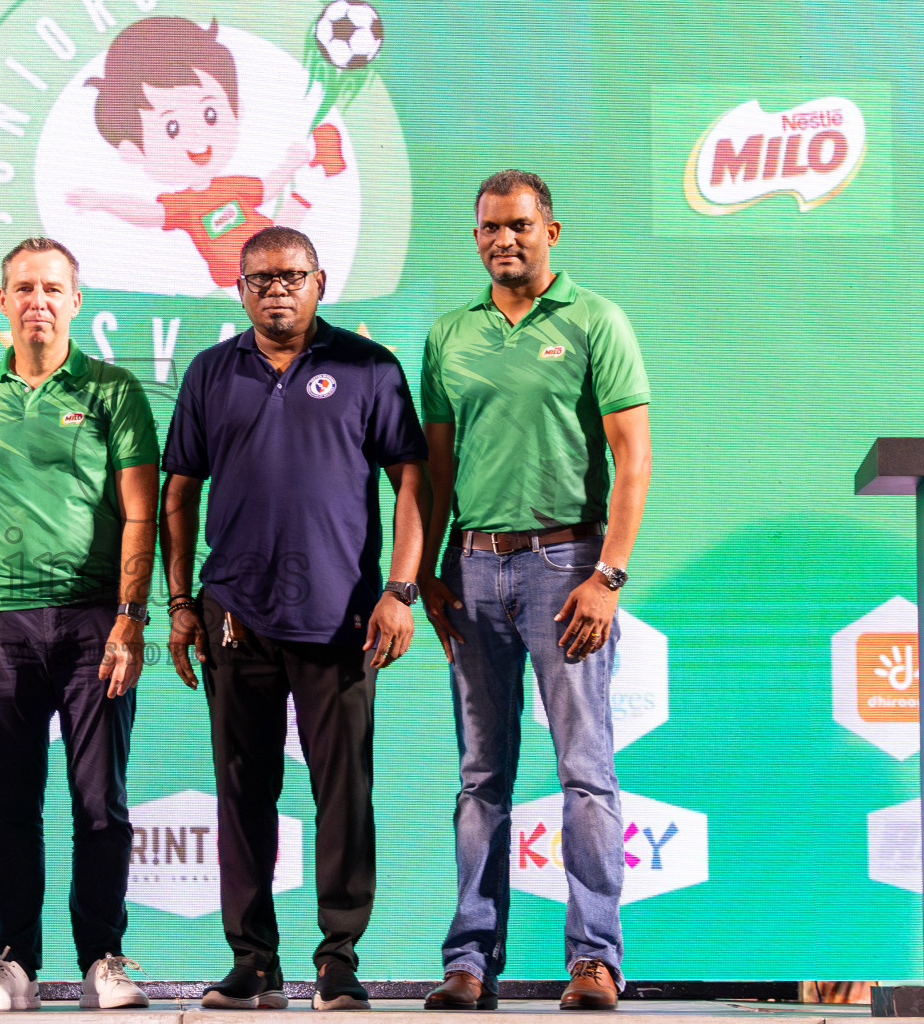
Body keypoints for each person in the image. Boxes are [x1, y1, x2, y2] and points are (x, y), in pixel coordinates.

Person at [160, 226, 428, 1011]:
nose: (277, 289)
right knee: (242, 793)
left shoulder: (368, 367)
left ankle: (339, 960)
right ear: (239, 290)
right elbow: (178, 497)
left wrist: (401, 591)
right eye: (260, 279)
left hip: (344, 615)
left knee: (343, 792)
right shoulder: (212, 372)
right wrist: (180, 605)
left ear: (321, 280)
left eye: (292, 276)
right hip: (234, 613)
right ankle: (255, 961)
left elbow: (411, 481)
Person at [417, 171, 651, 1013]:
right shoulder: (451, 334)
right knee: (481, 777)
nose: (501, 240)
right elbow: (436, 472)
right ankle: (470, 962)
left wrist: (607, 576)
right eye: (487, 228)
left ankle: (595, 959)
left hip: (567, 568)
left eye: (518, 225)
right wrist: (431, 572)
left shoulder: (595, 320)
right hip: (474, 571)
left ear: (553, 229)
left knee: (585, 774)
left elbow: (634, 458)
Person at [0, 238, 160, 1010]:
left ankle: (104, 959)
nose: (39, 300)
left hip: (96, 619)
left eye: (54, 288)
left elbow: (141, 512)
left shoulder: (113, 390)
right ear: (3, 303)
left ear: (76, 302)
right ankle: (13, 963)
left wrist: (132, 620)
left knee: (99, 800)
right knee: (11, 802)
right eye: (24, 287)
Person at [67, 16, 346, 289]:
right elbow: (147, 213)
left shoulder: (231, 185)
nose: (196, 136)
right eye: (172, 127)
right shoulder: (184, 206)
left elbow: (267, 189)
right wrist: (103, 201)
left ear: (236, 111)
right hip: (235, 270)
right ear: (133, 152)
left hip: (265, 244)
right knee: (270, 248)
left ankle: (312, 183)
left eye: (210, 114)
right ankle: (308, 188)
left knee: (275, 234)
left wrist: (290, 164)